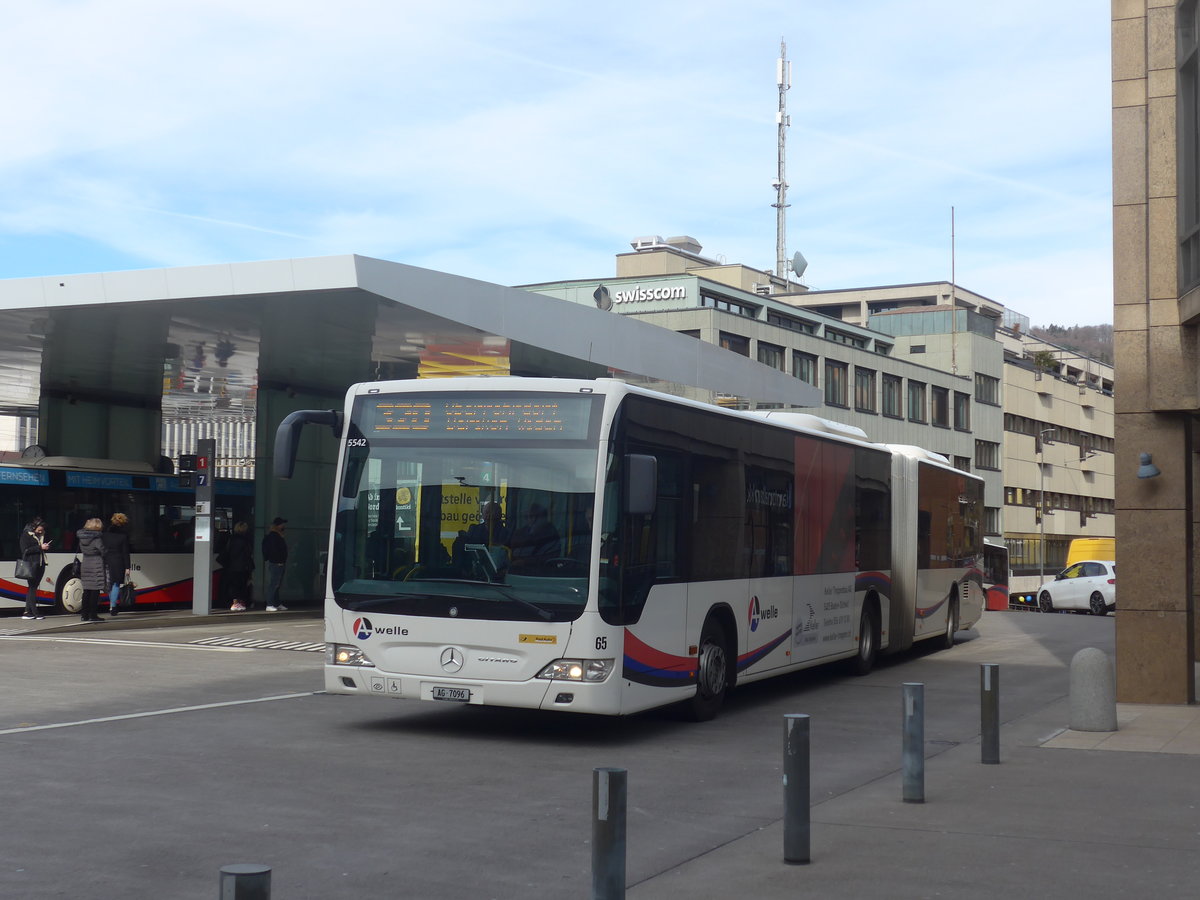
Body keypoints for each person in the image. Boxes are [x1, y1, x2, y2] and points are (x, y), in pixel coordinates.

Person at [508, 503, 561, 571]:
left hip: (543, 572)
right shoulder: (520, 532)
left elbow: (550, 556)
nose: (531, 520)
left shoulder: (551, 534)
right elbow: (513, 551)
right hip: (518, 571)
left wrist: (526, 562)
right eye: (528, 517)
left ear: (544, 518)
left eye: (535, 517)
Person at [18, 517, 50, 620]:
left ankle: (27, 612)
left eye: (42, 530)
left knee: (33, 587)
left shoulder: (40, 535)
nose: (41, 532)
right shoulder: (25, 535)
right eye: (39, 530)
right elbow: (25, 550)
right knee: (32, 587)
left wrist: (44, 546)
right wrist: (40, 547)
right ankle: (35, 612)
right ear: (33, 527)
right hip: (31, 564)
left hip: (40, 564)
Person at [77, 517, 107, 623]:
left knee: (86, 591)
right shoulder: (97, 539)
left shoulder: (81, 538)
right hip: (96, 564)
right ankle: (93, 614)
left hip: (85, 563)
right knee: (95, 591)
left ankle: (84, 615)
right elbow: (102, 550)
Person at [102, 512, 132, 617]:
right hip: (118, 562)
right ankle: (113, 606)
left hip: (106, 561)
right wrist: (127, 567)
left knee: (109, 585)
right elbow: (125, 552)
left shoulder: (104, 535)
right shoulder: (123, 536)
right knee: (116, 584)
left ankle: (112, 604)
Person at [221, 521, 255, 611]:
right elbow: (248, 554)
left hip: (232, 566)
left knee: (234, 585)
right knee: (242, 585)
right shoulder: (245, 540)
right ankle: (238, 603)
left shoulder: (231, 539)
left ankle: (236, 603)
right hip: (242, 566)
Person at [262, 516, 289, 611]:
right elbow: (274, 550)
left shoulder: (276, 535)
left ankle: (276, 603)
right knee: (274, 584)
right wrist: (278, 561)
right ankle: (269, 604)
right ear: (278, 525)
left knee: (277, 584)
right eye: (282, 524)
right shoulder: (274, 536)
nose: (283, 526)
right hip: (277, 563)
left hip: (278, 562)